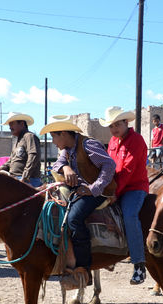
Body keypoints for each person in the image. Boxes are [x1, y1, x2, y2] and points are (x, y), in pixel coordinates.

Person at [43, 115, 116, 287]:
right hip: (80, 190)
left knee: (74, 219)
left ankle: (83, 269)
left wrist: (93, 189)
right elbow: (57, 165)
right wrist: (66, 167)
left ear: (63, 134)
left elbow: (109, 165)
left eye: (54, 137)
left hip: (99, 192)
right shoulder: (67, 149)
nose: (53, 142)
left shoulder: (88, 144)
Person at [101, 107, 149, 284]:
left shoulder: (136, 140)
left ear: (126, 123)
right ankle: (109, 253)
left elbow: (128, 170)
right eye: (111, 126)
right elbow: (109, 166)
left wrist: (114, 193)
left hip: (134, 187)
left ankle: (139, 265)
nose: (114, 129)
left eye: (117, 125)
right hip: (116, 187)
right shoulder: (113, 141)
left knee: (129, 216)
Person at [0, 112, 42, 187]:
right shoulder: (17, 140)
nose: (10, 127)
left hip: (28, 180)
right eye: (9, 124)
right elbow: (11, 161)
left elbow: (33, 156)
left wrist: (25, 176)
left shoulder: (29, 136)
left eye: (12, 124)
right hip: (15, 178)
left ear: (22, 124)